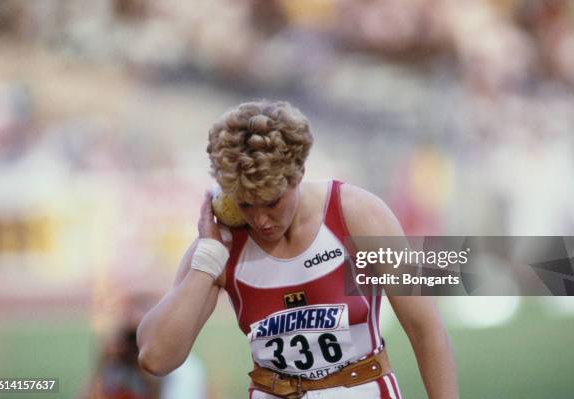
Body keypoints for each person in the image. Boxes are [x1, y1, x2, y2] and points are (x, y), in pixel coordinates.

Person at [136, 100, 459, 398]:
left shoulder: (359, 214)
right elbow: (156, 358)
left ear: (299, 173)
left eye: (272, 202)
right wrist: (207, 258)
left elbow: (426, 329)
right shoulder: (221, 243)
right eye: (246, 205)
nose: (261, 220)